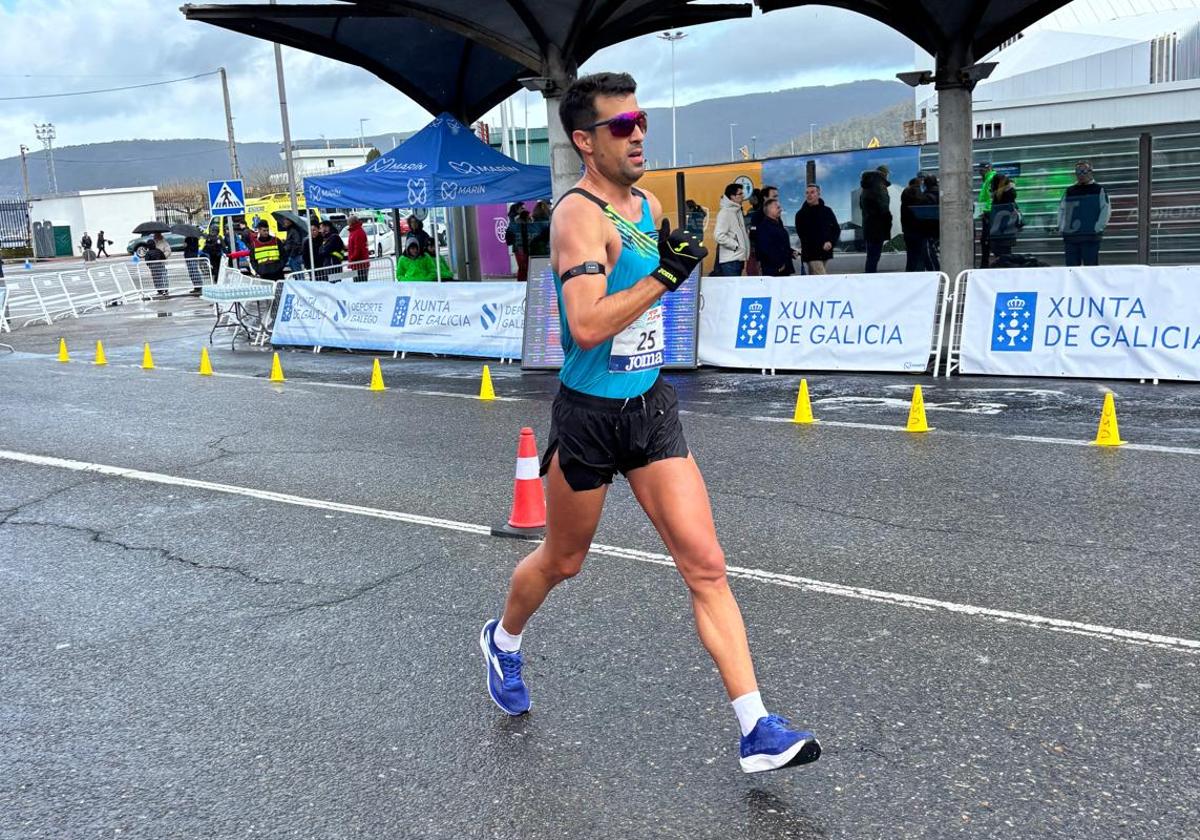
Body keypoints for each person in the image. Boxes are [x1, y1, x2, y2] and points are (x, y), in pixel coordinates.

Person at [479, 71, 821, 776]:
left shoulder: (647, 200)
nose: (637, 134)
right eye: (621, 126)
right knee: (563, 561)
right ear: (584, 140)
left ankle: (756, 726)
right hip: (591, 418)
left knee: (706, 566)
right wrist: (664, 278)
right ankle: (503, 641)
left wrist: (669, 273)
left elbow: (647, 298)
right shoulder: (578, 216)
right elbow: (585, 323)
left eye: (639, 121)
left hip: (653, 408)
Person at [1058, 160, 1111, 267]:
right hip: (1071, 237)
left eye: (1084, 171)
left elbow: (1105, 210)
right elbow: (1062, 210)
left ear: (1091, 172)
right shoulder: (1069, 191)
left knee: (1090, 268)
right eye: (1078, 172)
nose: (1081, 174)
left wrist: (1097, 228)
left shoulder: (1098, 190)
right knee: (1071, 269)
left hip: (1090, 236)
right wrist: (1062, 227)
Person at [793, 184, 840, 275]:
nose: (809, 195)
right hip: (812, 253)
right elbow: (803, 235)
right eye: (807, 193)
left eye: (812, 192)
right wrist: (821, 243)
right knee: (822, 278)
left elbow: (836, 229)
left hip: (825, 251)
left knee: (815, 279)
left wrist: (830, 242)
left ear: (818, 194)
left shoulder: (827, 211)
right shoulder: (801, 214)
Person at [859, 165, 892, 273]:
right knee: (874, 256)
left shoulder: (866, 188)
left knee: (871, 256)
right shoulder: (879, 187)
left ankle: (869, 276)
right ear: (884, 174)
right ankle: (870, 279)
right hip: (878, 227)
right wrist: (888, 223)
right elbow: (884, 208)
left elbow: (861, 206)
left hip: (869, 226)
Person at [714, 182, 750, 276]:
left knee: (736, 288)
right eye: (740, 194)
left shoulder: (737, 211)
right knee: (732, 289)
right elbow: (719, 236)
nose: (743, 196)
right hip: (730, 261)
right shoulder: (725, 212)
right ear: (732, 197)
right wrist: (736, 246)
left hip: (737, 259)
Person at [753, 199, 795, 276]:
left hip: (783, 269)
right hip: (774, 270)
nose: (781, 209)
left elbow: (780, 244)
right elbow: (765, 248)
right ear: (770, 209)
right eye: (778, 207)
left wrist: (791, 252)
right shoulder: (764, 227)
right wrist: (779, 266)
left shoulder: (778, 224)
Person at [988, 173, 1021, 263]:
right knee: (1006, 255)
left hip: (1000, 230)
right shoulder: (1009, 193)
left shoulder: (1001, 195)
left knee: (1001, 256)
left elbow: (998, 213)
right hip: (1008, 230)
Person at [900, 177, 925, 272]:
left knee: (910, 253)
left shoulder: (904, 195)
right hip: (918, 228)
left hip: (907, 229)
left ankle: (909, 272)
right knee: (919, 253)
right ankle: (918, 272)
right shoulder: (918, 193)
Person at [917, 175, 941, 271]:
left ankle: (934, 273)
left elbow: (922, 214)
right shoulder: (942, 194)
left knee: (929, 253)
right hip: (941, 228)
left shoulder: (925, 196)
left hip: (928, 230)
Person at [506, 209, 534, 281]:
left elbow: (509, 233)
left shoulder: (515, 225)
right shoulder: (531, 226)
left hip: (518, 249)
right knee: (528, 267)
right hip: (528, 249)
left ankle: (521, 283)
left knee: (522, 268)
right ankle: (527, 282)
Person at [976, 162, 996, 268]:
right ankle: (985, 264)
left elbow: (991, 198)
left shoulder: (991, 178)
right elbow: (985, 198)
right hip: (987, 213)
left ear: (988, 169)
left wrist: (986, 211)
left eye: (982, 170)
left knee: (987, 240)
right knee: (985, 240)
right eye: (979, 170)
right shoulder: (987, 180)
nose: (980, 172)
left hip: (989, 214)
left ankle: (985, 265)